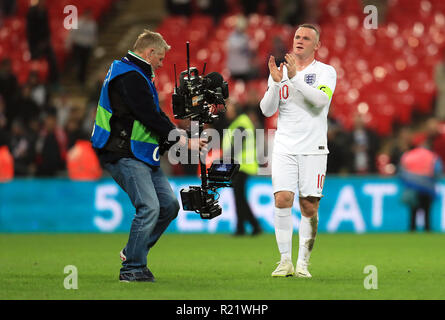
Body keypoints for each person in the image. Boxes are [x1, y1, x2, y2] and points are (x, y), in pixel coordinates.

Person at [91, 29, 207, 282]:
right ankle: (132, 268)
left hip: (142, 153)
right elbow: (148, 115)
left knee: (168, 206)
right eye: (161, 58)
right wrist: (183, 140)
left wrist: (178, 135)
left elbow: (153, 114)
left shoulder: (133, 73)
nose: (162, 63)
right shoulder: (131, 76)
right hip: (124, 151)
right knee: (150, 206)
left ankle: (133, 252)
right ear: (149, 52)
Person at [259, 24, 337, 278]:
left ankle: (303, 262)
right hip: (284, 146)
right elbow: (267, 110)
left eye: (306, 38)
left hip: (313, 148)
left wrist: (294, 80)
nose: (299, 40)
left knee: (308, 206)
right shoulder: (278, 72)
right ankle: (285, 261)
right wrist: (274, 83)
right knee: (282, 199)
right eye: (297, 37)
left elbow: (320, 101)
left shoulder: (326, 72)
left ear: (317, 45)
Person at [222, 101, 262, 236]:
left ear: (236, 110)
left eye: (230, 110)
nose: (227, 112)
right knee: (239, 197)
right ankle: (246, 226)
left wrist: (226, 158)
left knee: (239, 197)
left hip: (242, 165)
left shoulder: (241, 123)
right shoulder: (240, 122)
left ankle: (249, 226)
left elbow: (238, 145)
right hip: (242, 165)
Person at [399, 144, 442, 232]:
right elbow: (437, 171)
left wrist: (408, 181)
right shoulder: (432, 156)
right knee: (427, 210)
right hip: (427, 187)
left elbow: (401, 171)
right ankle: (427, 229)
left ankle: (412, 229)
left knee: (413, 210)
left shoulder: (408, 155)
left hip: (412, 186)